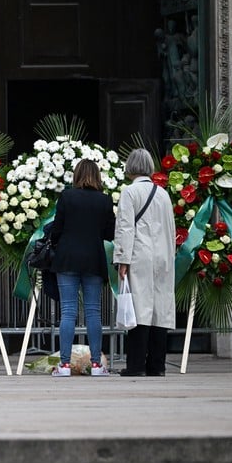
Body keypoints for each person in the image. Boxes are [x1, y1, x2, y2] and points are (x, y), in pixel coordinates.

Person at [48, 159, 115, 377]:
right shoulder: (104, 200)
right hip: (93, 260)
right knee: (93, 311)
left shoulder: (67, 196)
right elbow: (110, 233)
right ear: (97, 176)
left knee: (68, 311)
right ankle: (97, 365)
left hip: (67, 258)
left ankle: (64, 366)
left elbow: (56, 229)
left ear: (76, 175)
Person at [113, 148, 176, 376]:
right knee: (160, 309)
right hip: (162, 255)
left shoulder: (130, 192)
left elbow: (126, 227)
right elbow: (170, 228)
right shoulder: (163, 194)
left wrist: (122, 258)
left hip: (139, 254)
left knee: (139, 309)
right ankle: (157, 366)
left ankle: (136, 365)